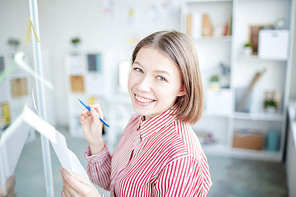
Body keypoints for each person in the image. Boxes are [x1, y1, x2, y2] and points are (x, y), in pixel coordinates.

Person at [61, 30, 212, 197]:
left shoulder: (181, 158)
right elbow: (114, 183)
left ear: (183, 87)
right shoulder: (137, 121)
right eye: (138, 69)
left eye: (161, 78)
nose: (141, 86)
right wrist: (95, 140)